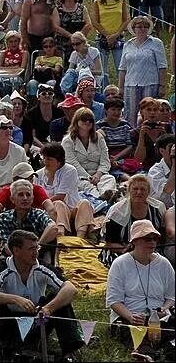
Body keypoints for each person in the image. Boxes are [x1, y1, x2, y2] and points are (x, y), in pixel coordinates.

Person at [0, 230, 84, 362]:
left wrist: (49, 308)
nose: (36, 252)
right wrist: (15, 299)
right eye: (31, 248)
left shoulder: (41, 266)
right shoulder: (3, 268)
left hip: (38, 321)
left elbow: (70, 288)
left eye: (36, 247)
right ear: (16, 250)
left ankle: (70, 351)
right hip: (9, 323)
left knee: (59, 298)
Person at [106, 220, 175, 354]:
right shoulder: (120, 264)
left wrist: (164, 309)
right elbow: (114, 301)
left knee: (169, 337)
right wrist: (131, 316)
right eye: (148, 239)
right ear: (135, 241)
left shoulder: (164, 264)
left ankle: (167, 350)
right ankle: (145, 354)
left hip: (158, 318)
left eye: (155, 239)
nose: (152, 243)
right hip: (128, 316)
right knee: (137, 337)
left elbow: (172, 296)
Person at [36, 142, 95, 239]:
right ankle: (61, 236)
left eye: (49, 159)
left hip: (73, 212)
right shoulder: (38, 174)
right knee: (58, 204)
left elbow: (61, 195)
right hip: (51, 214)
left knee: (84, 203)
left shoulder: (70, 170)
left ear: (59, 161)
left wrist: (45, 202)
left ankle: (80, 238)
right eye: (44, 158)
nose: (45, 162)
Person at [118, 16, 168, 129]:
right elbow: (122, 68)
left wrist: (162, 85)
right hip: (130, 85)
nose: (142, 29)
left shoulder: (156, 43)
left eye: (145, 26)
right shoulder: (127, 44)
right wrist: (120, 87)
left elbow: (162, 66)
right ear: (134, 28)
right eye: (139, 26)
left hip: (150, 83)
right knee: (130, 114)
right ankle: (132, 138)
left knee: (149, 113)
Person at [104, 174, 167, 261]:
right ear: (129, 191)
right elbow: (109, 244)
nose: (139, 192)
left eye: (143, 189)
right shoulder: (117, 212)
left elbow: (163, 237)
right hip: (122, 252)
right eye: (135, 189)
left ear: (148, 192)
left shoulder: (158, 209)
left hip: (151, 251)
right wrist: (130, 250)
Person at [61, 107, 117, 200]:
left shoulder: (99, 138)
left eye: (90, 120)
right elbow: (71, 163)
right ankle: (100, 199)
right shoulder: (67, 141)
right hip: (78, 176)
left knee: (110, 179)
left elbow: (105, 160)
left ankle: (107, 195)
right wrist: (89, 178)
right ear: (76, 121)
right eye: (84, 119)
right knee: (84, 185)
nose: (87, 122)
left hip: (99, 175)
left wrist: (98, 175)